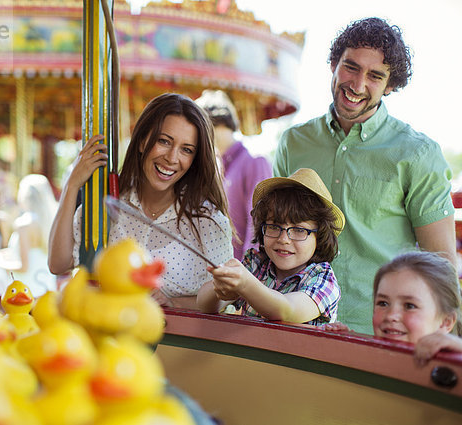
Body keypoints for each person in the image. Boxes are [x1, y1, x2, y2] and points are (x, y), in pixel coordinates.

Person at [273, 17, 456, 334]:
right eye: (351, 67)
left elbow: (441, 265)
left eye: (375, 76)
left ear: (391, 85)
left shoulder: (418, 154)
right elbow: (270, 229)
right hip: (295, 324)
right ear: (333, 63)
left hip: (375, 334)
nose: (357, 85)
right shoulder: (293, 142)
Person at [49, 93, 233, 309]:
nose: (172, 158)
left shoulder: (207, 220)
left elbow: (226, 297)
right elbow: (58, 264)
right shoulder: (109, 204)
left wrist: (174, 302)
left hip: (178, 342)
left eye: (186, 150)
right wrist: (72, 186)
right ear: (142, 141)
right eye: (164, 141)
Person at [197, 168, 344, 326]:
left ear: (320, 237)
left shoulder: (323, 280)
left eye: (299, 230)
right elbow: (204, 306)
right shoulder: (256, 264)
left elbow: (286, 311)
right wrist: (220, 287)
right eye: (274, 227)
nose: (284, 239)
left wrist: (245, 284)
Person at [324, 251, 462, 365]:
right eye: (383, 303)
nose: (391, 315)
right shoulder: (372, 358)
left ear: (446, 321)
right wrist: (345, 344)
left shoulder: (451, 365)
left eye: (409, 306)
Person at [195, 89, 272, 260]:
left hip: (243, 273)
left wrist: (247, 274)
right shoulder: (216, 165)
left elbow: (259, 225)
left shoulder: (254, 160)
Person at [0, 174, 58, 297]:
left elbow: (23, 267)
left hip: (27, 291)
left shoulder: (24, 224)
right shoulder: (49, 222)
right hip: (47, 288)